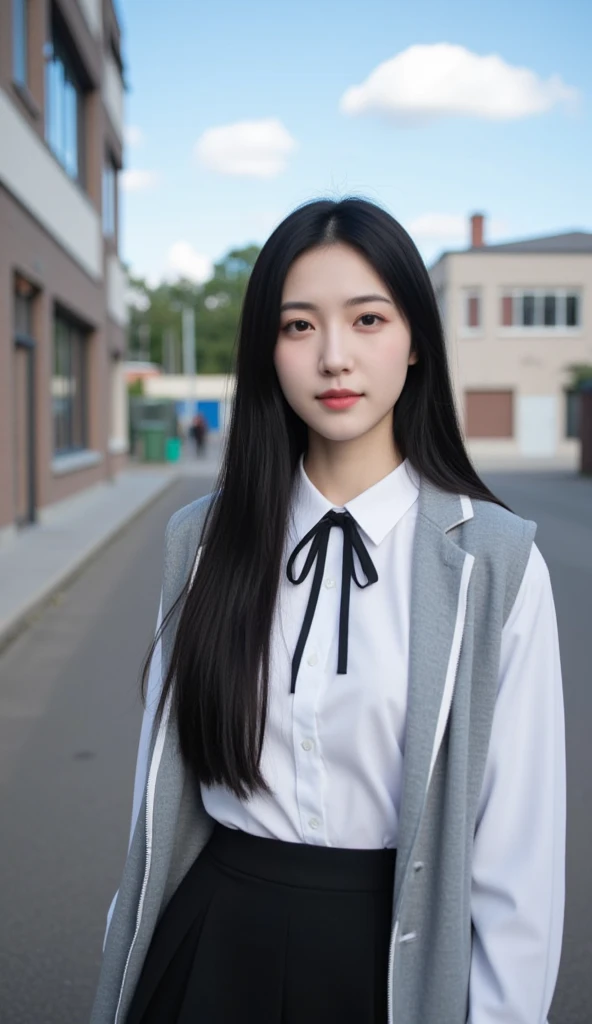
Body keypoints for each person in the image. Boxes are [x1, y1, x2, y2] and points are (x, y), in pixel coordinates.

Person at [91, 197, 566, 1024]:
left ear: (417, 340)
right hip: (211, 946)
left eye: (369, 319)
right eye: (299, 326)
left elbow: (519, 860)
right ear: (267, 351)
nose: (334, 357)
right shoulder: (203, 541)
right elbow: (153, 799)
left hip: (388, 961)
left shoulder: (496, 562)